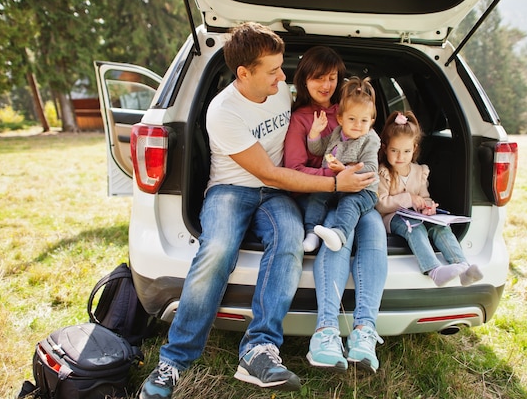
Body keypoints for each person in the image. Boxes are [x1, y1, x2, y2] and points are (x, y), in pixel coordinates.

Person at [139, 24, 375, 399]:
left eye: (282, 69)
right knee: (216, 251)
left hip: (276, 194)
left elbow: (311, 141)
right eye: (273, 71)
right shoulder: (223, 111)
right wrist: (334, 185)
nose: (284, 78)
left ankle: (258, 349)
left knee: (289, 242)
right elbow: (268, 171)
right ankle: (174, 361)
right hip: (231, 189)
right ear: (244, 74)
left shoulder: (279, 88)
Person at [284, 46, 387, 374]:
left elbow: (369, 163)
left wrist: (352, 180)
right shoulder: (301, 118)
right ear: (304, 80)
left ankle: (365, 332)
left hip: (356, 194)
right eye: (318, 78)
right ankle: (326, 330)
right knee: (334, 230)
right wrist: (334, 179)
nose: (326, 84)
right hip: (324, 193)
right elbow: (295, 167)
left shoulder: (354, 116)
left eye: (332, 78)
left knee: (372, 229)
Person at [376, 110, 483, 287]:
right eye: (394, 150)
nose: (400, 156)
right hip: (393, 218)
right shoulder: (383, 172)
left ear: (414, 149)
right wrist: (408, 198)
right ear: (385, 148)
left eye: (406, 151)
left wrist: (427, 206)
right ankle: (434, 270)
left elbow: (424, 197)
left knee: (440, 227)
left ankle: (463, 266)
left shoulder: (419, 172)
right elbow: (381, 204)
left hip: (417, 215)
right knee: (415, 228)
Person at [303, 76, 380, 252]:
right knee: (317, 196)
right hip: (337, 185)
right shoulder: (337, 132)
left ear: (371, 122)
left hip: (363, 190)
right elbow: (318, 149)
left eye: (364, 121)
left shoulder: (371, 139)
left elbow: (371, 169)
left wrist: (344, 169)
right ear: (340, 119)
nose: (358, 125)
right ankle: (311, 234)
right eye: (352, 119)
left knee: (350, 203)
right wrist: (315, 132)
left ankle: (339, 234)